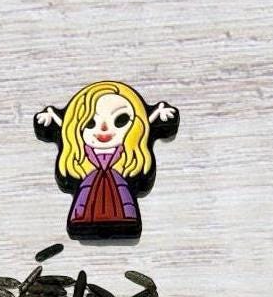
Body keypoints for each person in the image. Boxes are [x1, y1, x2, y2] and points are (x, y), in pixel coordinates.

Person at [34, 82, 178, 240]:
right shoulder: (82, 156)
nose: (103, 128)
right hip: (88, 193)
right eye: (90, 123)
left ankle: (121, 219)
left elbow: (150, 122)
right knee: (86, 205)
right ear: (75, 127)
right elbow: (62, 125)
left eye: (120, 120)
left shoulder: (127, 155)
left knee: (122, 207)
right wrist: (49, 116)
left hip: (119, 191)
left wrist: (161, 113)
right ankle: (86, 220)